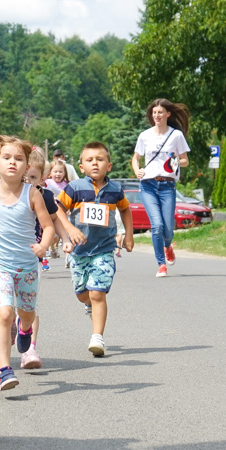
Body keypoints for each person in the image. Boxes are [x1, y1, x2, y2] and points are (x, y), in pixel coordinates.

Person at [0, 136, 55, 390]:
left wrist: (43, 246)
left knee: (26, 313)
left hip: (26, 267)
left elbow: (48, 227)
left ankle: (24, 329)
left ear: (27, 166)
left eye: (18, 159)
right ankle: (4, 369)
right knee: (3, 313)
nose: (12, 163)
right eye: (7, 158)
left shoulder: (33, 194)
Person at [56, 142, 133, 356]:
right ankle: (88, 304)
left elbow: (126, 210)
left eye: (100, 159)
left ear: (109, 165)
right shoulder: (76, 188)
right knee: (83, 294)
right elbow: (58, 209)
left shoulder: (116, 189)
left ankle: (97, 337)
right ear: (81, 167)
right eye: (89, 160)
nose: (95, 163)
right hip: (79, 251)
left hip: (104, 249)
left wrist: (128, 234)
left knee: (98, 293)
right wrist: (70, 229)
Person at [21, 148, 76, 369]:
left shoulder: (44, 195)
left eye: (33, 178)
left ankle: (31, 349)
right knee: (9, 308)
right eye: (25, 177)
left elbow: (55, 220)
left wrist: (66, 240)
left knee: (30, 304)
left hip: (33, 255)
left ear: (43, 178)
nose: (27, 181)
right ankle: (19, 327)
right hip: (8, 257)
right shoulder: (7, 194)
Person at [131, 98, 191, 277]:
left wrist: (175, 161)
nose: (156, 115)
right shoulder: (145, 135)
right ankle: (161, 264)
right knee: (156, 226)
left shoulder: (176, 135)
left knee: (167, 229)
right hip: (148, 184)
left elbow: (185, 160)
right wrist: (137, 170)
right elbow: (136, 158)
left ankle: (167, 246)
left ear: (168, 114)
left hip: (167, 185)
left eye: (160, 112)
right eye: (154, 113)